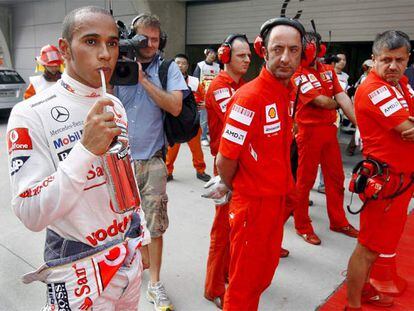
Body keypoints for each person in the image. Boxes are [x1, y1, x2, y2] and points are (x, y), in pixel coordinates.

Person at [7, 6, 148, 310]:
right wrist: (84, 151)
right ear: (64, 50)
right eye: (91, 41)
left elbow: (126, 177)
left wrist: (141, 233)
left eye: (112, 43)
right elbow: (30, 213)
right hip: (78, 271)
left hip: (128, 258)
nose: (105, 54)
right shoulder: (30, 114)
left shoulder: (112, 104)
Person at [215, 17, 304, 310]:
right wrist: (234, 188)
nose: (285, 58)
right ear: (263, 51)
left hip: (275, 201)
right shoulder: (249, 97)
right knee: (243, 288)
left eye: (293, 50)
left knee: (261, 278)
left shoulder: (286, 92)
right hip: (252, 206)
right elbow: (225, 158)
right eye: (278, 49)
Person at [115, 13, 187, 311]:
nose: (149, 45)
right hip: (118, 162)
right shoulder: (116, 65)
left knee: (155, 226)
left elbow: (174, 105)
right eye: (143, 38)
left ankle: (154, 283)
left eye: (155, 40)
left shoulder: (167, 68)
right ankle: (123, 273)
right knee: (118, 225)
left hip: (153, 162)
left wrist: (143, 79)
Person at [346, 30, 414, 311]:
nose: (393, 66)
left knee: (377, 247)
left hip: (401, 181)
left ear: (408, 59)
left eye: (399, 60)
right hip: (384, 183)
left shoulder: (401, 84)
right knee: (368, 248)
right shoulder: (373, 89)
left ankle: (363, 290)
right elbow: (408, 128)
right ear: (374, 60)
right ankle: (352, 304)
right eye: (386, 59)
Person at [291, 31, 359, 245]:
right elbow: (322, 101)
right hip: (308, 132)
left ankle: (338, 221)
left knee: (336, 178)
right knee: (305, 181)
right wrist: (336, 102)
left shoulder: (328, 71)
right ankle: (302, 225)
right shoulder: (297, 73)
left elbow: (341, 97)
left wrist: (361, 125)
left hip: (329, 130)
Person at [203, 33, 251, 308]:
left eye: (248, 55)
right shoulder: (220, 86)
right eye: (241, 55)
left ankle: (227, 274)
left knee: (235, 227)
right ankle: (213, 287)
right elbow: (237, 121)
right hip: (225, 165)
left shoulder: (241, 85)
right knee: (222, 229)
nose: (247, 60)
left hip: (242, 165)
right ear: (225, 57)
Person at [165, 53, 211, 182]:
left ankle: (200, 171)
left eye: (183, 63)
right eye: (177, 63)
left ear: (187, 66)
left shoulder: (194, 81)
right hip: (174, 120)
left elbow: (205, 96)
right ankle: (168, 171)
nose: (180, 65)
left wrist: (205, 104)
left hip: (192, 121)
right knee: (171, 149)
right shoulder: (167, 80)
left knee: (197, 149)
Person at [193, 47, 221, 146]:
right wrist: (197, 97)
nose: (213, 55)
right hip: (203, 95)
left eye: (215, 53)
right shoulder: (200, 66)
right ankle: (203, 137)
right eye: (211, 53)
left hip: (215, 96)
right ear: (206, 53)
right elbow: (195, 81)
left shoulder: (218, 67)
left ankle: (214, 137)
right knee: (204, 118)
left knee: (215, 118)